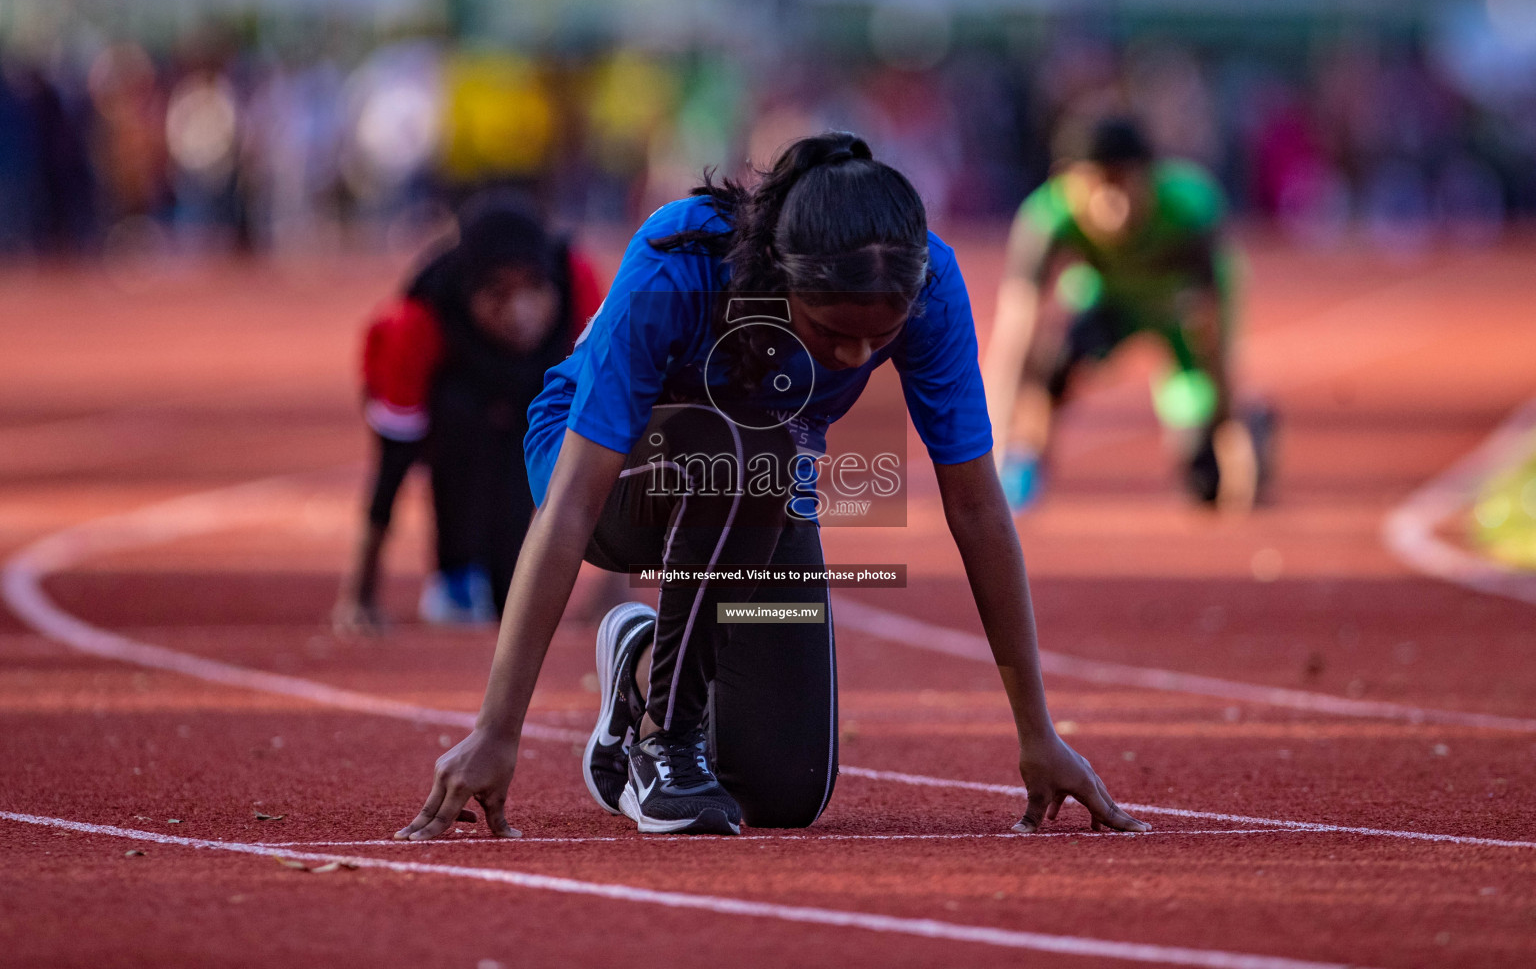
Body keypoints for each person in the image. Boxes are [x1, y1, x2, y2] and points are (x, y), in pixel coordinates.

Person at [395, 131, 1150, 838]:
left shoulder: (928, 283)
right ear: (780, 280)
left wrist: (1037, 732)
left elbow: (978, 505)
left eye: (878, 341)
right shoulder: (677, 258)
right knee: (753, 445)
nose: (855, 358)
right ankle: (663, 741)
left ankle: (643, 669)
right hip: (600, 471)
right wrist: (498, 730)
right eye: (830, 335)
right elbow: (569, 506)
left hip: (758, 486)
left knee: (785, 791)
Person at [332, 194, 603, 632]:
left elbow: (617, 437)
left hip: (533, 408)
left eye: (534, 289)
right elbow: (390, 470)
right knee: (462, 412)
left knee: (506, 593)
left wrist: (614, 590)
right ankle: (456, 572)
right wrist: (358, 597)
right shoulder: (416, 324)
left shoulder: (580, 287)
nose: (520, 313)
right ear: (468, 292)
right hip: (452, 422)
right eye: (498, 295)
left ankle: (501, 570)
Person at [982, 116, 1271, 512]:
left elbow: (1213, 338)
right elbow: (1014, 338)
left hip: (1177, 314)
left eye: (1121, 183)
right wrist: (992, 445)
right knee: (1051, 362)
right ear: (1069, 183)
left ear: (1148, 178)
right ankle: (1026, 457)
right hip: (1108, 302)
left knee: (1206, 481)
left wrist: (1229, 431)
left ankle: (1251, 420)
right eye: (1096, 186)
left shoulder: (1189, 211)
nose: (1109, 203)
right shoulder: (1046, 219)